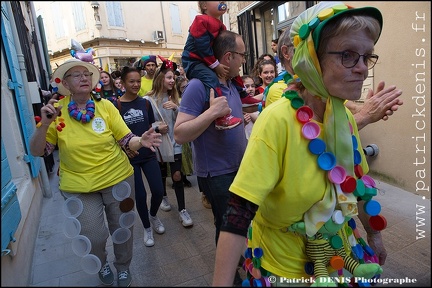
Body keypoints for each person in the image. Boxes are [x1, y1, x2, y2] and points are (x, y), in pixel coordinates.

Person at [212, 2, 403, 286]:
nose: (362, 69)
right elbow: (239, 212)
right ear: (310, 59)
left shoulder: (343, 119)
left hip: (338, 255)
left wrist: (374, 236)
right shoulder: (276, 121)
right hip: (285, 266)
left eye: (367, 56)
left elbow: (358, 187)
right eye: (349, 55)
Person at [29, 58, 162, 287]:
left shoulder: (106, 106)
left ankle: (123, 267)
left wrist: (142, 140)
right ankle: (101, 264)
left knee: (122, 227)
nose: (84, 78)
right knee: (93, 235)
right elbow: (39, 151)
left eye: (87, 74)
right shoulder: (57, 112)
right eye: (76, 75)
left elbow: (126, 139)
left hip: (118, 178)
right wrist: (45, 125)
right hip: (79, 186)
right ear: (66, 84)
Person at [174, 29, 248, 286]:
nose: (244, 61)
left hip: (239, 168)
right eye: (241, 55)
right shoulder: (199, 85)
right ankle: (230, 279)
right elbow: (180, 133)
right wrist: (211, 112)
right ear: (228, 57)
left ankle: (236, 262)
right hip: (217, 174)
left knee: (236, 224)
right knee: (228, 227)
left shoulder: (228, 83)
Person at [116, 66, 166, 247]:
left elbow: (153, 124)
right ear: (122, 83)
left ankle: (153, 215)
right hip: (130, 159)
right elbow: (114, 133)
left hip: (148, 154)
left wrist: (160, 128)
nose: (136, 84)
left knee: (158, 191)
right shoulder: (116, 106)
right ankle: (146, 228)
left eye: (138, 81)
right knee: (140, 195)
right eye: (131, 81)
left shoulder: (145, 103)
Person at [145, 56, 193, 228]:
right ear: (160, 79)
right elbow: (145, 124)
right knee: (161, 175)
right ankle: (164, 196)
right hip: (158, 145)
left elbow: (184, 120)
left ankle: (182, 210)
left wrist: (177, 108)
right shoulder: (147, 100)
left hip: (176, 144)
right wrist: (157, 129)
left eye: (173, 77)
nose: (173, 80)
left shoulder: (176, 99)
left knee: (177, 176)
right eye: (169, 77)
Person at [181, 1, 244, 130]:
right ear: (204, 6)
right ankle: (219, 116)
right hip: (194, 61)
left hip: (208, 60)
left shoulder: (221, 26)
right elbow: (202, 46)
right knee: (210, 78)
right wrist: (216, 65)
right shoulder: (200, 21)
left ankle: (244, 95)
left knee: (235, 76)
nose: (223, 2)